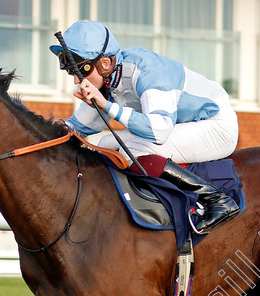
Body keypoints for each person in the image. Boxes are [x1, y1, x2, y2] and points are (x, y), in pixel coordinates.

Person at [50, 20, 240, 232]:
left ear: (104, 63)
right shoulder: (107, 79)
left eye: (81, 70)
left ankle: (216, 198)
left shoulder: (146, 70)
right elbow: (75, 129)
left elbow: (159, 130)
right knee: (105, 143)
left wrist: (107, 106)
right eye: (71, 71)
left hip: (217, 126)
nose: (77, 79)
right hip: (186, 127)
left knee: (132, 149)